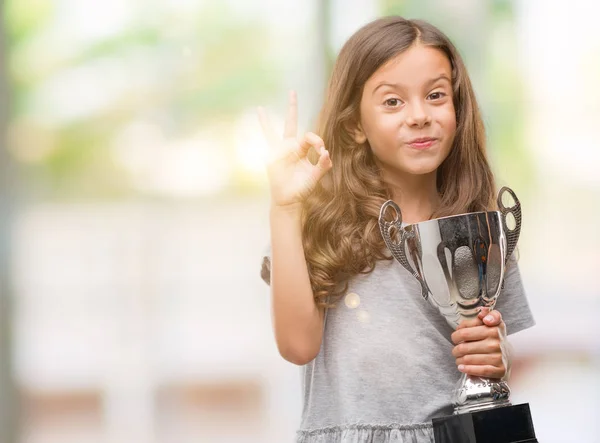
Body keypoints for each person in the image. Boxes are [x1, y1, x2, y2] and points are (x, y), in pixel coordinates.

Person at [257, 16, 535, 443]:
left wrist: (496, 356)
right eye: (393, 102)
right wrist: (285, 209)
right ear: (355, 125)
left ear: (458, 109)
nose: (420, 116)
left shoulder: (481, 229)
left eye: (436, 95)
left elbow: (498, 347)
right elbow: (297, 346)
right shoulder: (319, 226)